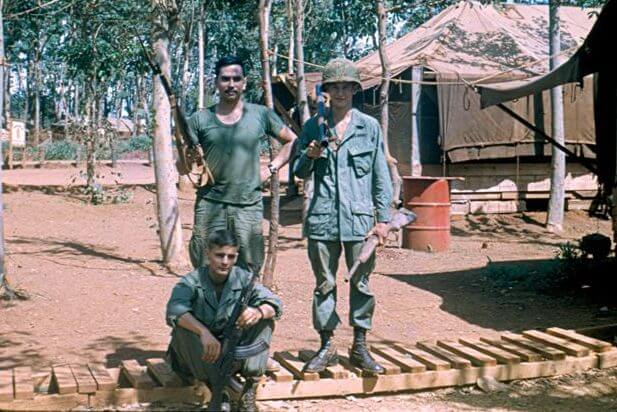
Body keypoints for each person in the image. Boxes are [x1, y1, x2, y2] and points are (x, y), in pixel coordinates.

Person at [293, 58, 393, 375]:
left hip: (360, 222)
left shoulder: (369, 127)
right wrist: (309, 156)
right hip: (322, 221)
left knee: (361, 284)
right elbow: (297, 170)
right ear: (327, 91)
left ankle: (360, 346)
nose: (340, 92)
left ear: (354, 89)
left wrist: (384, 220)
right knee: (324, 285)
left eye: (345, 86)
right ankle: (327, 346)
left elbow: (381, 177)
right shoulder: (313, 127)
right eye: (334, 87)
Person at [187, 55, 297, 273]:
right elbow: (183, 166)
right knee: (204, 262)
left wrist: (272, 168)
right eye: (225, 79)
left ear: (244, 82)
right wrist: (188, 160)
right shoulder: (199, 119)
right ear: (216, 82)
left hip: (248, 204)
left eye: (236, 79)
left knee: (249, 265)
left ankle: (242, 307)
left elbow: (292, 141)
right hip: (210, 203)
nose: (231, 84)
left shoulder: (260, 114)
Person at [166, 229, 282, 411]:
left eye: (231, 256)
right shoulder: (191, 281)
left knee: (266, 322)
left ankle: (249, 388)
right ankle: (218, 389)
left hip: (231, 352)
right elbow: (174, 310)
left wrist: (258, 311)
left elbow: (274, 303)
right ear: (208, 254)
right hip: (200, 355)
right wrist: (203, 332)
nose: (225, 262)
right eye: (219, 255)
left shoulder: (243, 278)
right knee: (182, 328)